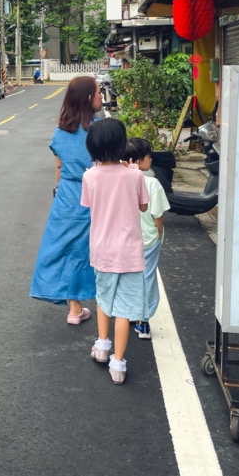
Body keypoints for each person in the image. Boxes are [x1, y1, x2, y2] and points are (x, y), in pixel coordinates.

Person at [81, 118, 149, 385]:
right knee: (124, 309)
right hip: (130, 253)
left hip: (103, 251)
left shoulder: (89, 176)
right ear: (122, 145)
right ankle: (118, 365)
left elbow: (89, 205)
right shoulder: (135, 175)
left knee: (103, 300)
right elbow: (143, 207)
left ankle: (101, 347)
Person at [29, 76, 102, 324]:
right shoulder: (98, 127)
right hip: (97, 195)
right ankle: (109, 305)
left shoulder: (61, 129)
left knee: (68, 250)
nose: (102, 97)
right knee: (99, 249)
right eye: (99, 93)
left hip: (67, 197)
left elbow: (59, 166)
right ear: (88, 98)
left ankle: (74, 309)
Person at [125, 137, 169, 340]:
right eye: (148, 156)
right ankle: (143, 322)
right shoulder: (152, 183)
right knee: (147, 279)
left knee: (128, 278)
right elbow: (157, 214)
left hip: (126, 241)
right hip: (149, 241)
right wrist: (159, 233)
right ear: (139, 161)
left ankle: (130, 314)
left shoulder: (120, 182)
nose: (151, 159)